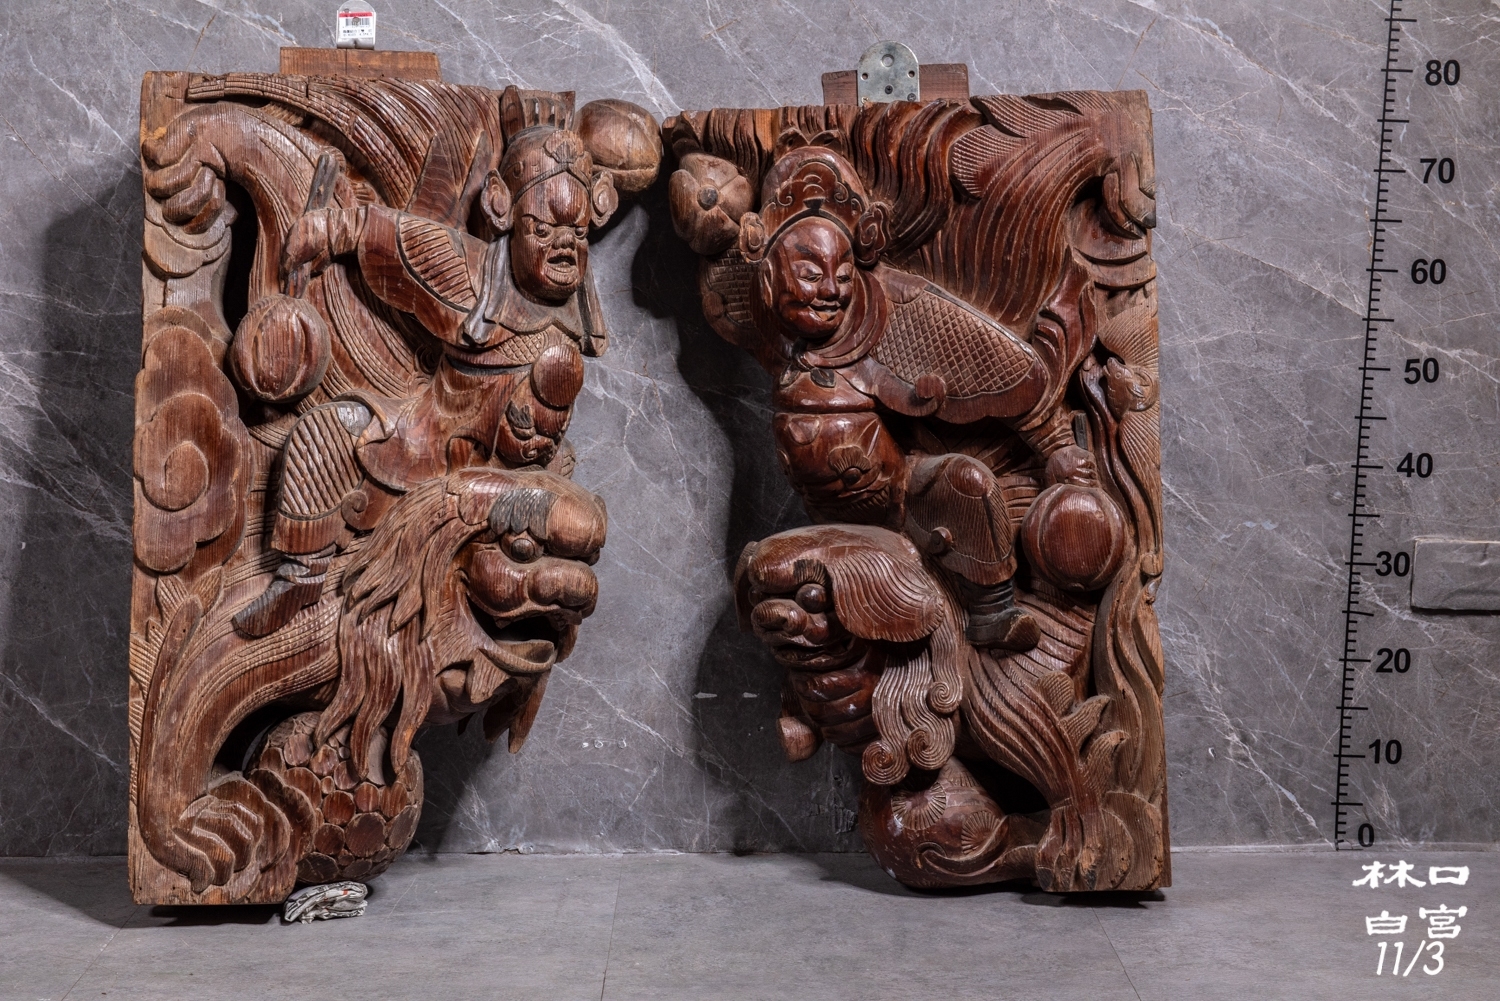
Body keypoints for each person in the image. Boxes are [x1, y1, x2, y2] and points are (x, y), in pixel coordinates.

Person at [234, 125, 617, 638]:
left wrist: (529, 440)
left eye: (579, 233)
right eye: (543, 230)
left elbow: (534, 447)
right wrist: (334, 229)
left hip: (502, 479)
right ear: (503, 211)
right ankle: (302, 576)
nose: (564, 245)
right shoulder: (473, 277)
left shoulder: (568, 334)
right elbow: (401, 242)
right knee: (325, 432)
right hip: (427, 439)